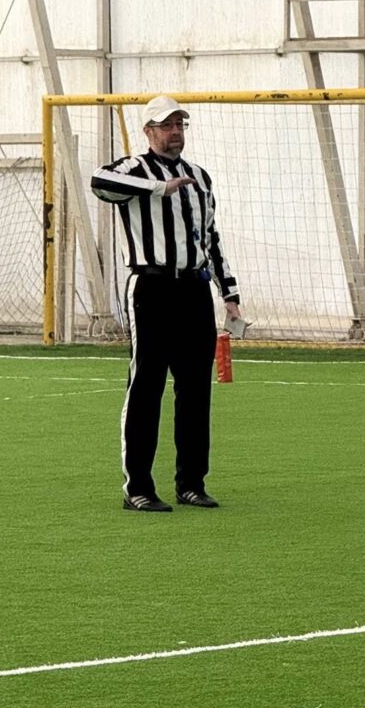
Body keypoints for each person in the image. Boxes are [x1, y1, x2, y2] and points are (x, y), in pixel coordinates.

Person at [91, 95, 242, 512]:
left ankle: (191, 483)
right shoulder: (134, 169)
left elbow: (210, 238)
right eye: (166, 125)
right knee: (146, 386)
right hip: (151, 288)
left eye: (179, 124)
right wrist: (159, 188)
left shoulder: (200, 177)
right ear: (148, 131)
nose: (175, 132)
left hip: (194, 289)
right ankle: (138, 487)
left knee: (195, 390)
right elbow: (99, 181)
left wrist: (230, 294)